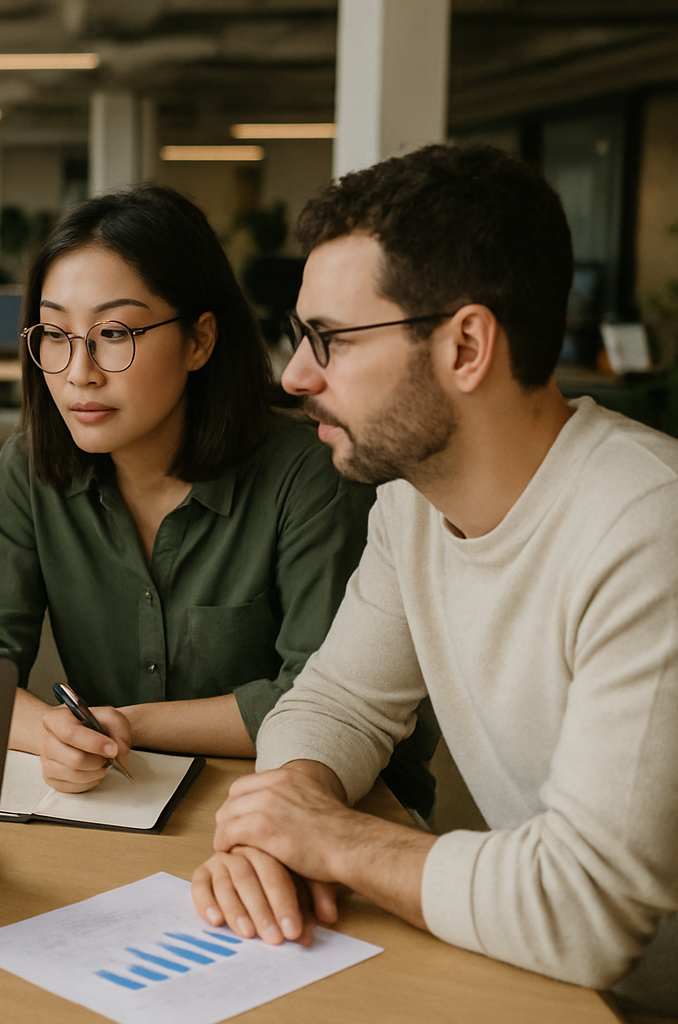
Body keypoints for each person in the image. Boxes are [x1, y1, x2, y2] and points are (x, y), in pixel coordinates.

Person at [190, 143, 678, 1014]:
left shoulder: (648, 528)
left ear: (464, 346)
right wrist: (287, 808)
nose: (296, 375)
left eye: (329, 340)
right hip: (539, 981)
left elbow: (587, 907)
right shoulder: (412, 506)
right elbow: (336, 701)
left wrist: (332, 840)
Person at [0, 184, 436, 812]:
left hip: (329, 802)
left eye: (114, 332)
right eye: (56, 334)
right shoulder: (33, 469)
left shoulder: (310, 474)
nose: (78, 371)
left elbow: (326, 698)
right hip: (120, 799)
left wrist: (126, 726)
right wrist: (54, 734)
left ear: (200, 340)